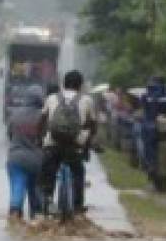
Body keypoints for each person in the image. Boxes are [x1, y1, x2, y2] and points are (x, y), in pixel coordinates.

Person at [38, 69, 97, 215]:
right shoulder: (87, 100)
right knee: (78, 172)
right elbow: (93, 125)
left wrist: (40, 139)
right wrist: (88, 142)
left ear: (63, 84)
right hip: (75, 144)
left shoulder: (52, 98)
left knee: (48, 172)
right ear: (80, 85)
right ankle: (77, 206)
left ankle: (47, 200)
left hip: (53, 143)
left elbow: (41, 121)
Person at [6, 88, 45, 222]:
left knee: (18, 184)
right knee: (36, 189)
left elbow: (10, 135)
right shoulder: (44, 116)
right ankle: (37, 216)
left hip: (16, 158)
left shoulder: (15, 115)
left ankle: (15, 212)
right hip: (38, 160)